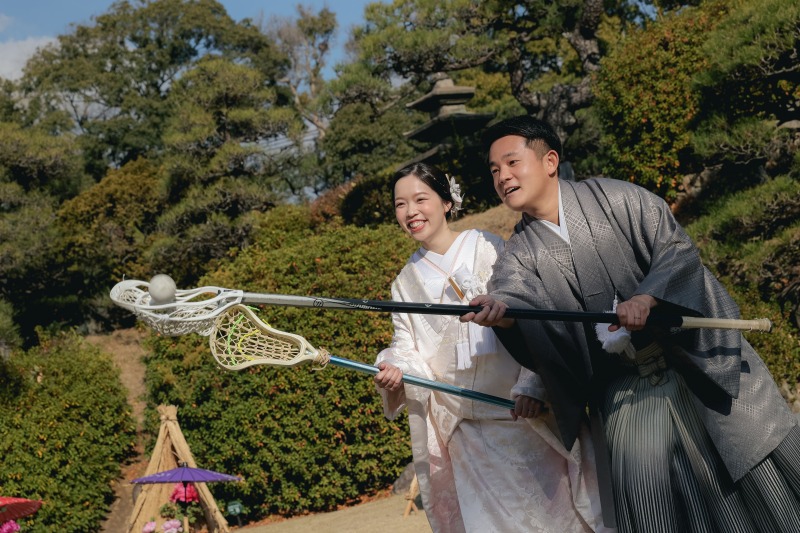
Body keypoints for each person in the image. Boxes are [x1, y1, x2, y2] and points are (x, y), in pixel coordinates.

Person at [462, 114, 800, 532]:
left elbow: (675, 247)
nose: (503, 176)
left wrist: (648, 296)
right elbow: (514, 293)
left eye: (512, 163)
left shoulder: (615, 197)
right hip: (625, 386)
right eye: (495, 170)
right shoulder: (521, 252)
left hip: (691, 364)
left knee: (753, 478)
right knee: (650, 503)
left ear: (550, 160)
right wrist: (503, 313)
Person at [373, 162, 609, 533]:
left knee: (557, 519)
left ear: (447, 202)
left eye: (421, 199)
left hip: (523, 416)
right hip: (467, 434)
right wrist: (395, 367)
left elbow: (533, 311)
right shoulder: (404, 284)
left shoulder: (488, 246)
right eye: (400, 205)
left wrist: (533, 384)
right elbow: (407, 345)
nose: (411, 212)